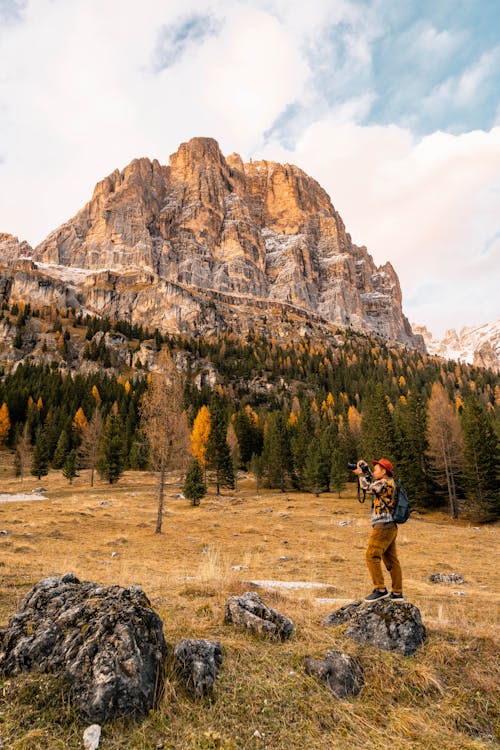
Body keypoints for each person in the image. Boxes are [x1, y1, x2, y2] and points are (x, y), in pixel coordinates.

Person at [352, 458, 404, 602]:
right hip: (390, 525)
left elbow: (368, 488)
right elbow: (372, 482)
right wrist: (366, 470)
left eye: (376, 469)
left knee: (371, 555)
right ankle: (397, 592)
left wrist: (360, 475)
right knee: (391, 560)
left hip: (383, 525)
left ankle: (380, 589)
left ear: (384, 471)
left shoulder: (385, 483)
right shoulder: (387, 482)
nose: (374, 471)